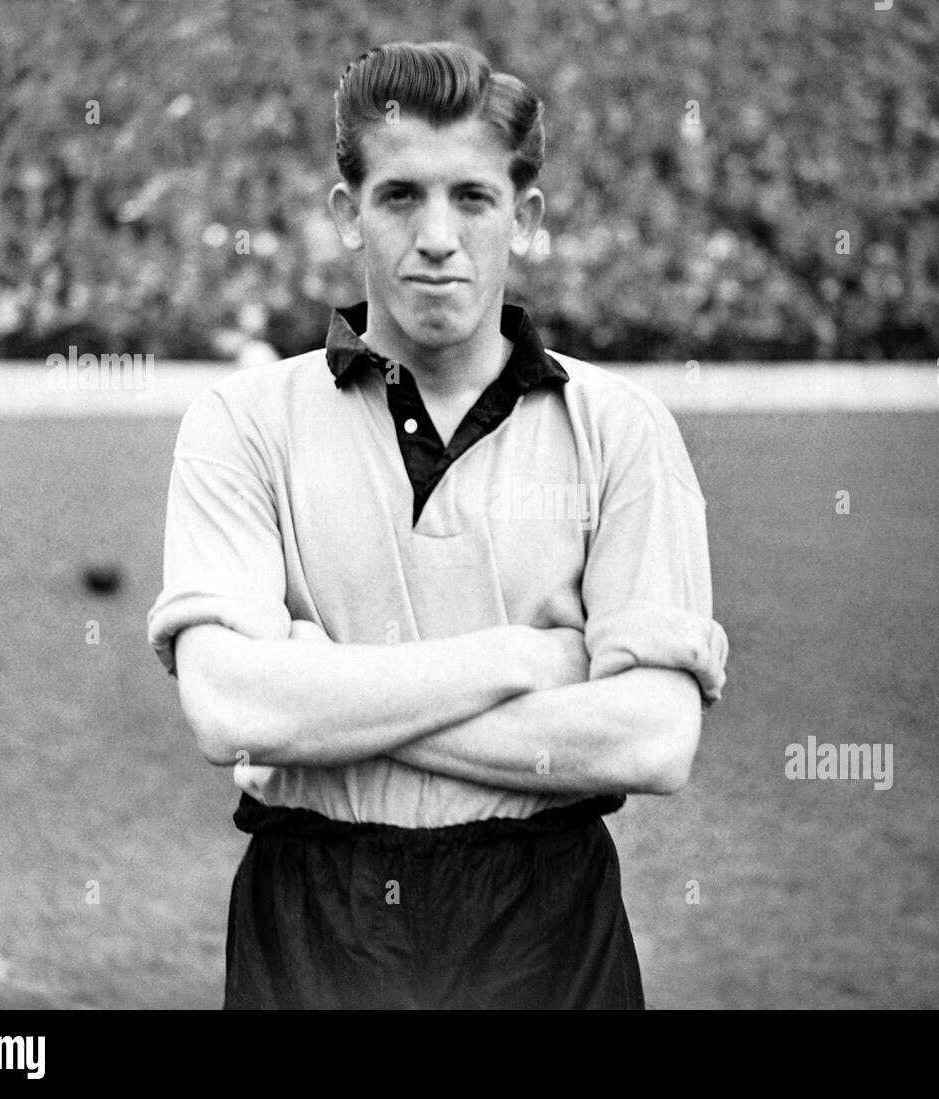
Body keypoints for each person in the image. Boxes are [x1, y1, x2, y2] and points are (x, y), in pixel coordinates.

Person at [147, 40, 728, 1009]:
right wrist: (526, 657)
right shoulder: (240, 422)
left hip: (546, 913)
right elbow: (231, 713)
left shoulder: (624, 429)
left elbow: (652, 741)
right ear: (348, 214)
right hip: (314, 911)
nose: (436, 236)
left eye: (472, 197)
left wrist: (320, 699)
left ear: (524, 217)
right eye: (400, 195)